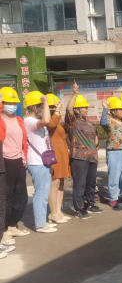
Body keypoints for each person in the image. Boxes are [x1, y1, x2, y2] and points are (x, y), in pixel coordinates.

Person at [66, 84, 101, 219]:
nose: (87, 109)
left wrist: (95, 144)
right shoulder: (73, 122)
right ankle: (79, 209)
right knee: (80, 184)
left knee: (91, 183)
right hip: (79, 157)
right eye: (84, 107)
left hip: (92, 157)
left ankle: (90, 204)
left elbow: (95, 136)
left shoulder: (89, 123)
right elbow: (69, 109)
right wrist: (75, 94)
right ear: (77, 110)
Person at [24, 91, 56, 233]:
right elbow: (47, 120)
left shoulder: (36, 121)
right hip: (37, 163)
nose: (43, 108)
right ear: (33, 107)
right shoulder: (29, 121)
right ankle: (40, 225)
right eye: (40, 105)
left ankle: (42, 221)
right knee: (40, 194)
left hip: (44, 161)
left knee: (44, 193)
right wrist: (46, 102)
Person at [0, 87, 25, 255]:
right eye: (9, 102)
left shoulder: (18, 120)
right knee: (6, 196)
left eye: (14, 103)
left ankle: (12, 225)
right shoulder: (1, 119)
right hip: (5, 160)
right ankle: (4, 230)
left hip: (18, 160)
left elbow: (23, 140)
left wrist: (24, 155)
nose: (12, 105)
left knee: (20, 194)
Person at [100, 97, 122, 208]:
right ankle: (113, 198)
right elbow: (102, 122)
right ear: (114, 111)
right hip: (114, 152)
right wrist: (105, 109)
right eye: (120, 109)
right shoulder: (109, 122)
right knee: (114, 176)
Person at [45, 94, 72, 224]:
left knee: (61, 183)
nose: (56, 108)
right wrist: (56, 111)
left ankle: (58, 210)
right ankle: (53, 213)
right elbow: (51, 125)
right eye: (52, 106)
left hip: (62, 154)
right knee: (54, 184)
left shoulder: (58, 119)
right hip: (54, 155)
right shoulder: (48, 120)